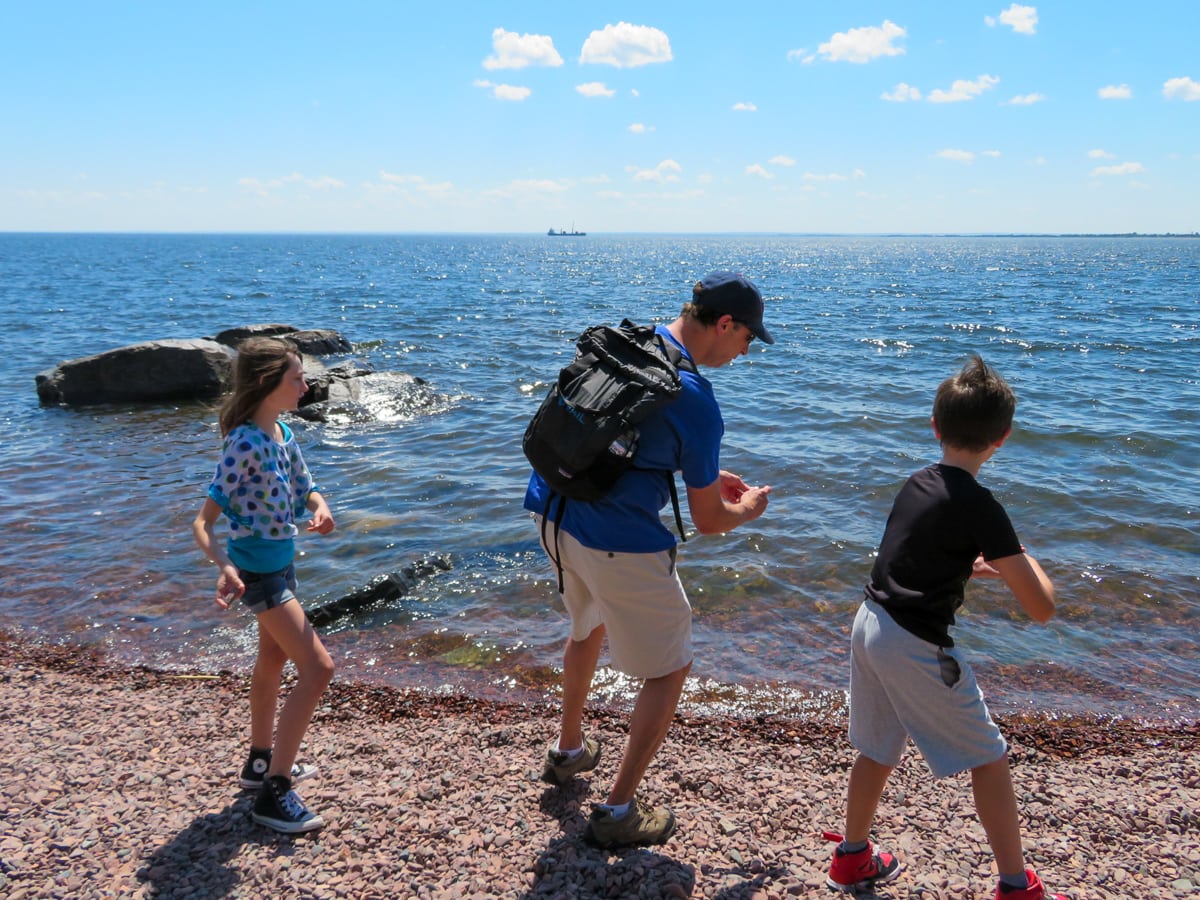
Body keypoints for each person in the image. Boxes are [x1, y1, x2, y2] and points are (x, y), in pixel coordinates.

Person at [525, 271, 775, 848]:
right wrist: (751, 509)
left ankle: (567, 752)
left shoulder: (633, 342)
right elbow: (710, 521)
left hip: (548, 511)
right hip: (615, 540)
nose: (745, 352)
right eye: (746, 339)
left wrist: (707, 477)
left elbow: (630, 440)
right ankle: (617, 812)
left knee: (586, 624)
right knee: (669, 668)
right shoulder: (697, 399)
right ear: (725, 324)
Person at [823, 355, 1066, 900]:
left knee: (879, 747)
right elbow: (1042, 607)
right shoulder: (983, 508)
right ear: (1002, 438)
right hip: (912, 643)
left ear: (935, 427)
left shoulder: (917, 483)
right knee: (988, 754)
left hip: (869, 623)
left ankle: (852, 856)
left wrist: (970, 566)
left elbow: (916, 555)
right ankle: (1016, 886)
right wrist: (1016, 555)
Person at [192, 336, 336, 834]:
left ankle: (260, 763)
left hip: (283, 565)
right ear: (265, 382)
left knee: (272, 661)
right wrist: (223, 565)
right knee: (318, 668)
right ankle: (274, 794)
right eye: (296, 377)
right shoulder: (244, 443)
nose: (305, 384)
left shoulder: (281, 436)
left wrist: (319, 506)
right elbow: (203, 521)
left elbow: (306, 488)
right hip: (259, 573)